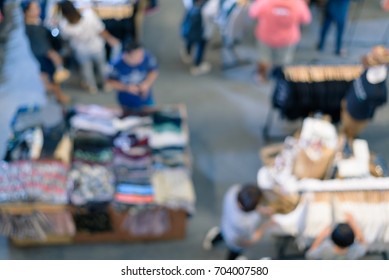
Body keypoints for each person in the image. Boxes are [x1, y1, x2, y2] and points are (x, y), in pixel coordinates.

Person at [57, 0, 119, 94]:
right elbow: (101, 30)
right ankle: (106, 84)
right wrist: (110, 39)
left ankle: (92, 87)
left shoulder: (64, 25)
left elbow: (65, 38)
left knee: (86, 69)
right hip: (96, 47)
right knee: (102, 67)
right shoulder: (89, 15)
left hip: (81, 50)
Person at [203, 184, 274, 260]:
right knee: (233, 255)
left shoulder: (233, 191)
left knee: (222, 235)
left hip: (226, 226)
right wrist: (266, 225)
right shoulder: (244, 223)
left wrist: (259, 208)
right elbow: (247, 241)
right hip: (235, 242)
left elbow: (247, 203)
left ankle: (212, 242)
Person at [249, 0, 312, 81]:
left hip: (266, 35)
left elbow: (253, 13)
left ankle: (261, 76)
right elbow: (306, 19)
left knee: (263, 58)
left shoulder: (265, 1)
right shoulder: (298, 3)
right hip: (288, 38)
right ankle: (278, 76)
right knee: (283, 60)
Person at [22, 0, 70, 105]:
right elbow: (44, 47)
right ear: (26, 12)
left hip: (37, 53)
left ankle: (49, 90)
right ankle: (59, 97)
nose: (38, 10)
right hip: (45, 55)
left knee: (44, 72)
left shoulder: (31, 23)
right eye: (34, 9)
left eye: (37, 8)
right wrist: (54, 56)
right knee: (53, 77)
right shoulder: (35, 28)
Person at [341, 45, 389, 140]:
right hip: (348, 102)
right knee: (344, 127)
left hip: (357, 117)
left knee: (350, 134)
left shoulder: (379, 92)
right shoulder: (368, 70)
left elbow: (378, 103)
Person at [107, 38, 159, 113]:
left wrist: (146, 84)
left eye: (142, 55)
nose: (141, 59)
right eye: (137, 57)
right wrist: (127, 88)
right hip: (126, 98)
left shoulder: (147, 57)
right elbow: (110, 81)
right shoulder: (115, 65)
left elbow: (153, 71)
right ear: (127, 55)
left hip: (146, 96)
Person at [180, 0, 213, 76]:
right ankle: (197, 65)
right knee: (201, 44)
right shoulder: (212, 3)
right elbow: (215, 13)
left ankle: (187, 53)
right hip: (204, 27)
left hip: (191, 21)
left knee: (190, 37)